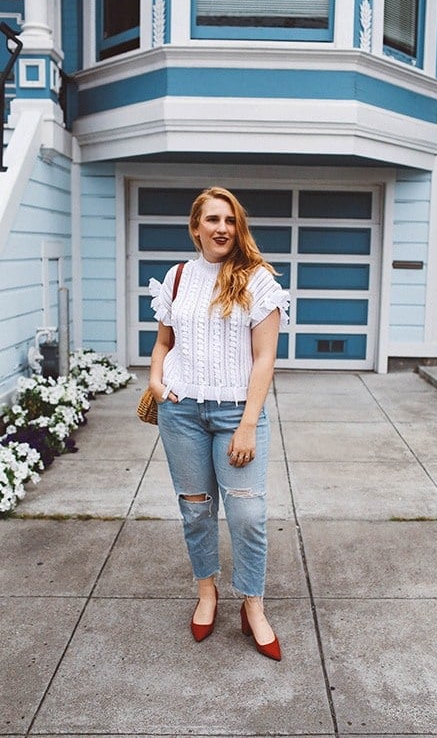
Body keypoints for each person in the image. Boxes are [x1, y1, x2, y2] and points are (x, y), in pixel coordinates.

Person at [148, 186, 290, 660]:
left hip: (236, 413)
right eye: (212, 219)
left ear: (238, 227)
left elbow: (265, 358)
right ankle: (206, 593)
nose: (222, 228)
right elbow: (164, 343)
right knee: (195, 509)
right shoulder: (178, 276)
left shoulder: (258, 279)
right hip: (181, 412)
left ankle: (253, 603)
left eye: (229, 220)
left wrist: (248, 424)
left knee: (247, 513)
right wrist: (154, 381)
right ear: (196, 227)